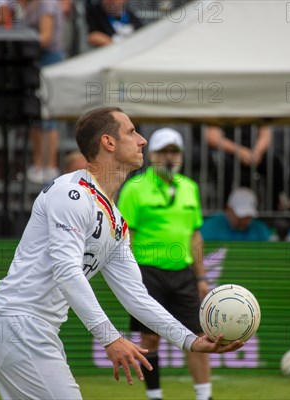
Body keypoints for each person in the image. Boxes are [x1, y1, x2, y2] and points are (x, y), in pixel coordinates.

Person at [0, 107, 243, 400]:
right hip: (17, 326)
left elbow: (136, 297)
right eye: (131, 132)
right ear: (108, 142)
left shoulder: (116, 220)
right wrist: (111, 337)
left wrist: (191, 341)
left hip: (30, 330)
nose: (142, 140)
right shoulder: (72, 193)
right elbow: (67, 272)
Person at [117, 127, 212, 400]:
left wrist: (201, 278)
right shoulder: (134, 189)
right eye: (163, 152)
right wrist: (129, 277)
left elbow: (195, 234)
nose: (169, 157)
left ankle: (205, 396)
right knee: (150, 338)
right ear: (152, 155)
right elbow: (126, 236)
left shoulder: (189, 188)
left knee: (198, 336)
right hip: (147, 273)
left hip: (183, 273)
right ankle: (155, 396)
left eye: (174, 151)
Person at [17, 0, 64, 184]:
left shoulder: (47, 4)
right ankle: (38, 165)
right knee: (36, 116)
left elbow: (45, 37)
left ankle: (50, 166)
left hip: (49, 62)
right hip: (36, 61)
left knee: (48, 116)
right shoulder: (29, 5)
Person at [205, 124, 286, 211]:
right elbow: (212, 137)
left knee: (274, 163)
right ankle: (225, 209)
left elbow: (265, 135)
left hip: (253, 152)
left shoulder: (257, 111)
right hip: (227, 151)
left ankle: (273, 209)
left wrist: (258, 152)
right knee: (222, 163)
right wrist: (239, 151)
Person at [201, 187, 273, 242]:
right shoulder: (209, 228)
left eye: (249, 217)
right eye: (241, 216)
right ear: (228, 209)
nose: (245, 221)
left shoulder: (261, 230)